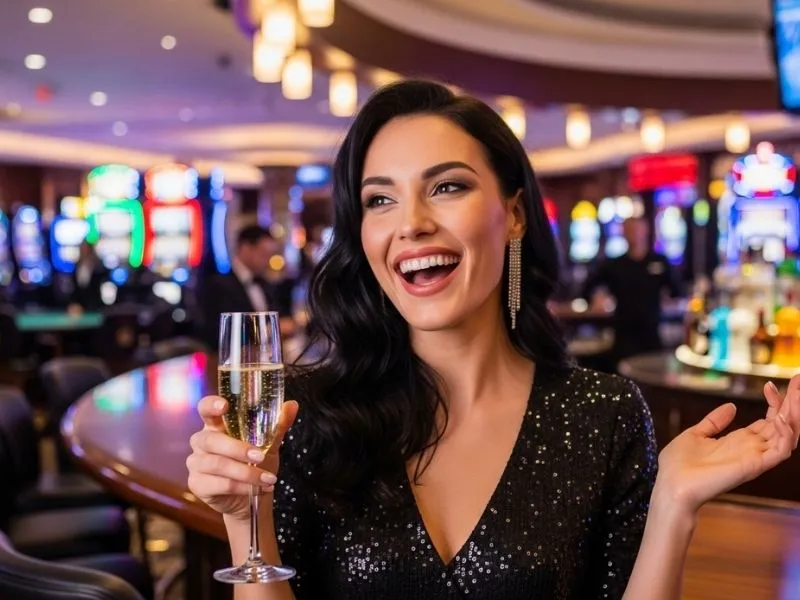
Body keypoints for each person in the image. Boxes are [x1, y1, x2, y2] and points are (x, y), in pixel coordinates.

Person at [186, 81, 800, 600]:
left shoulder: (604, 414)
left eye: (447, 186)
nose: (412, 223)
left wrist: (674, 505)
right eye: (380, 199)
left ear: (514, 215)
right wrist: (246, 516)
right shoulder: (300, 414)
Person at [580, 216, 682, 362]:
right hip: (624, 334)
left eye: (636, 229)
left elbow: (676, 291)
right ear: (622, 233)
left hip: (652, 332)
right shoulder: (613, 265)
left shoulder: (659, 261)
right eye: (628, 230)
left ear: (645, 230)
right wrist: (598, 299)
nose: (633, 234)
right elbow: (586, 290)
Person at [199, 225, 295, 348]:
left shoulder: (264, 284)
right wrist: (270, 330)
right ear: (245, 248)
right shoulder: (217, 285)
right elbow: (221, 334)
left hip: (267, 358)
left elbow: (281, 316)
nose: (267, 261)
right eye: (263, 254)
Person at [69, 241, 107, 311]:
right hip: (79, 306)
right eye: (82, 249)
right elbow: (75, 288)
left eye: (86, 249)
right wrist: (73, 303)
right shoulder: (76, 266)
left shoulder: (98, 267)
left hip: (95, 305)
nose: (84, 251)